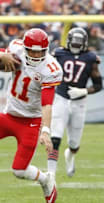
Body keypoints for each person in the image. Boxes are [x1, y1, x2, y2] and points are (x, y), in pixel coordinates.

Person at [0, 28, 62, 203]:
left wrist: (45, 130)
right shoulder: (16, 49)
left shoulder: (50, 68)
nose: (36, 55)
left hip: (30, 122)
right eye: (32, 50)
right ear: (25, 48)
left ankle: (46, 179)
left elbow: (47, 104)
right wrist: (2, 56)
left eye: (40, 51)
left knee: (20, 171)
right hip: (8, 116)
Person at [47, 27, 102, 177]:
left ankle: (70, 155)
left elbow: (98, 85)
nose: (76, 46)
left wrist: (83, 91)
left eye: (79, 43)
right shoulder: (58, 54)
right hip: (61, 98)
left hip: (79, 102)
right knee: (55, 137)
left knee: (74, 144)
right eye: (74, 43)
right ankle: (50, 175)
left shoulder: (91, 58)